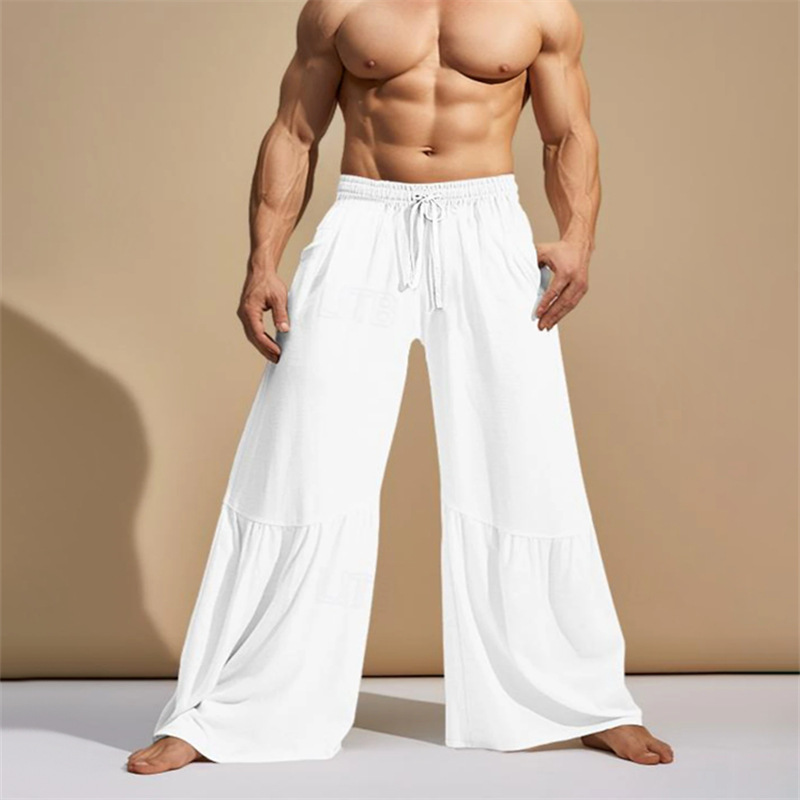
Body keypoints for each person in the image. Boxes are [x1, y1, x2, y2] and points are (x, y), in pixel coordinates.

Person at [127, 0, 674, 773]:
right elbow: (294, 132)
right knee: (301, 458)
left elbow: (568, 133)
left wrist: (579, 238)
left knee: (527, 457)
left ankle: (581, 699)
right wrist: (261, 261)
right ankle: (229, 710)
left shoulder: (538, 10)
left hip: (487, 224)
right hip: (364, 221)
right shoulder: (340, 8)